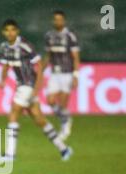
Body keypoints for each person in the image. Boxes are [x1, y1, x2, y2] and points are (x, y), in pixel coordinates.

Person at [0, 19, 72, 162]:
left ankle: (10, 154)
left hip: (28, 85)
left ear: (17, 31)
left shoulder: (24, 45)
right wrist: (2, 79)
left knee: (13, 113)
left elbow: (39, 65)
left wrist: (37, 88)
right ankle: (63, 149)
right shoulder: (4, 47)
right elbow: (6, 64)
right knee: (39, 120)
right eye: (7, 30)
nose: (10, 32)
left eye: (13, 29)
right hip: (23, 86)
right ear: (3, 32)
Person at [43, 10, 80, 141]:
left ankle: (65, 127)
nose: (57, 22)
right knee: (50, 100)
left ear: (63, 21)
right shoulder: (49, 36)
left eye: (60, 19)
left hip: (67, 73)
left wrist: (76, 75)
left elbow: (75, 57)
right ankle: (66, 118)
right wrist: (41, 70)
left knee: (63, 104)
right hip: (55, 73)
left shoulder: (70, 35)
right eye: (55, 19)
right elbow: (48, 55)